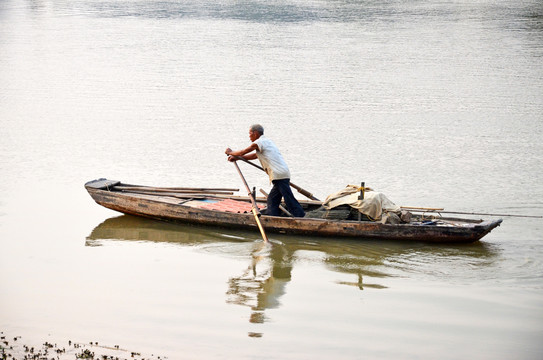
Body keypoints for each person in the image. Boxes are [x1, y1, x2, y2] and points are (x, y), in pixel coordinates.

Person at [225, 124, 305, 218]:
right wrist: (237, 158)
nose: (249, 136)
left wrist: (230, 152)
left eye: (250, 133)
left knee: (288, 198)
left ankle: (300, 216)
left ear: (255, 133)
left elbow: (243, 152)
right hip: (281, 173)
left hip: (278, 174)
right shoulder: (267, 141)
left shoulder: (258, 142)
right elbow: (255, 156)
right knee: (272, 199)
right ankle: (272, 217)